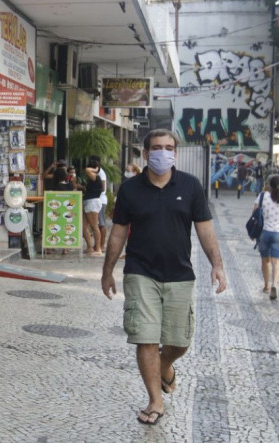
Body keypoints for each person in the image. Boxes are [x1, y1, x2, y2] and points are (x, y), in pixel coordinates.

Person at [101, 128, 227, 426]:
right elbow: (118, 232)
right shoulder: (130, 189)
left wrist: (218, 265)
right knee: (145, 338)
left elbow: (205, 228)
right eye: (156, 147)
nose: (163, 152)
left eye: (169, 147)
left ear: (175, 153)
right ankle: (155, 400)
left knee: (180, 340)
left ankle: (166, 363)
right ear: (145, 153)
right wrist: (107, 271)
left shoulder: (191, 186)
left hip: (180, 274)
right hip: (140, 272)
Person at [256, 175, 279, 300]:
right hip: (278, 234)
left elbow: (255, 212)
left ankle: (267, 286)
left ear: (270, 184)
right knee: (276, 262)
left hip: (264, 232)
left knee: (265, 260)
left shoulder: (263, 196)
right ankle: (275, 284)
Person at [82, 158, 104, 256]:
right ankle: (90, 247)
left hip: (92, 202)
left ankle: (98, 248)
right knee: (84, 226)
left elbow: (87, 170)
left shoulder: (95, 176)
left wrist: (96, 169)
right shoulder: (94, 178)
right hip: (89, 201)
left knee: (94, 226)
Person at [93, 155, 109, 252]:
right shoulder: (97, 172)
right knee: (98, 224)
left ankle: (102, 245)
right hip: (98, 199)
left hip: (100, 200)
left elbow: (102, 187)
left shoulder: (100, 173)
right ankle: (97, 244)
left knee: (101, 223)